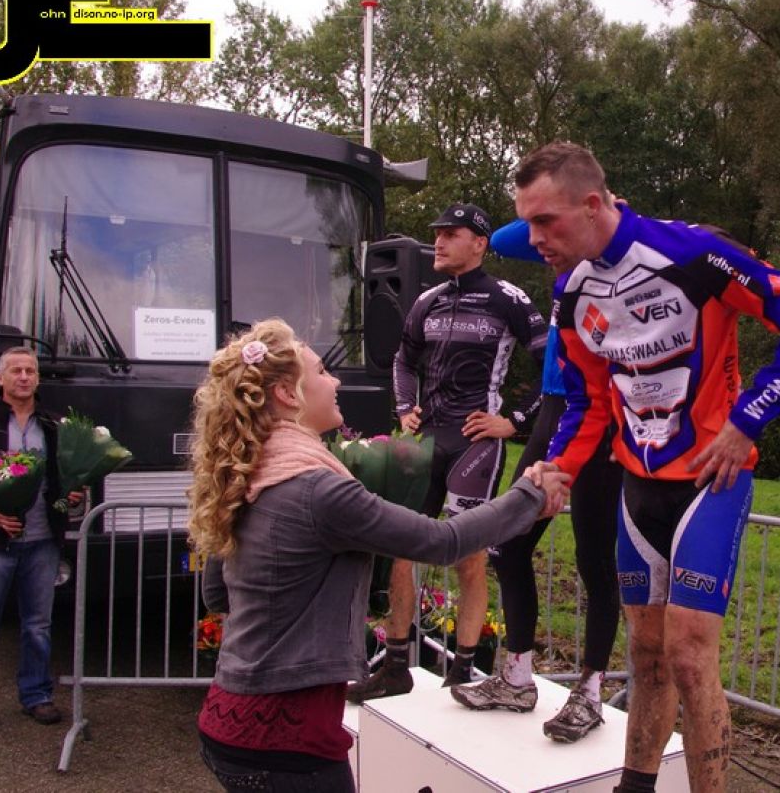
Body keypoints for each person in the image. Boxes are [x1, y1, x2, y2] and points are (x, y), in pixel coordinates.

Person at [514, 143, 780, 792]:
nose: (534, 238)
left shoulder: (694, 254)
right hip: (638, 487)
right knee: (646, 655)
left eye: (545, 221)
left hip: (710, 480)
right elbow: (588, 400)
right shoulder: (571, 291)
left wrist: (747, 420)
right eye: (528, 223)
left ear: (592, 203)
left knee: (690, 658)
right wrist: (558, 467)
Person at [188, 319, 566, 792]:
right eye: (321, 372)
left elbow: (217, 594)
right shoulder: (317, 490)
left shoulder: (251, 472)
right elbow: (442, 542)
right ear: (286, 394)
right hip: (286, 739)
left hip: (227, 717)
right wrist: (528, 495)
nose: (335, 381)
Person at [349, 203, 548, 700]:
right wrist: (404, 408)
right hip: (427, 441)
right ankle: (395, 666)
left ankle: (462, 669)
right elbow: (403, 360)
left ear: (479, 243)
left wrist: (514, 421)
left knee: (469, 555)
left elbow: (554, 367)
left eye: (451, 233)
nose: (437, 241)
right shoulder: (427, 300)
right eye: (437, 232)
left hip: (475, 444)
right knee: (403, 548)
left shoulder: (508, 298)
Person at [449, 217, 624, 744]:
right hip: (554, 409)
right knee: (509, 546)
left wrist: (599, 220)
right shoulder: (560, 263)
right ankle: (518, 677)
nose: (545, 242)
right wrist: (556, 211)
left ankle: (589, 692)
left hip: (601, 416)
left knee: (595, 560)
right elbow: (505, 240)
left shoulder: (615, 264)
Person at [0, 347, 83, 739]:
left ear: (37, 378)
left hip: (42, 542)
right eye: (16, 371)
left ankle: (36, 695)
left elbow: (64, 482)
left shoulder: (55, 425)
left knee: (38, 626)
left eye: (30, 371)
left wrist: (71, 496)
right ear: (0, 378)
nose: (24, 377)